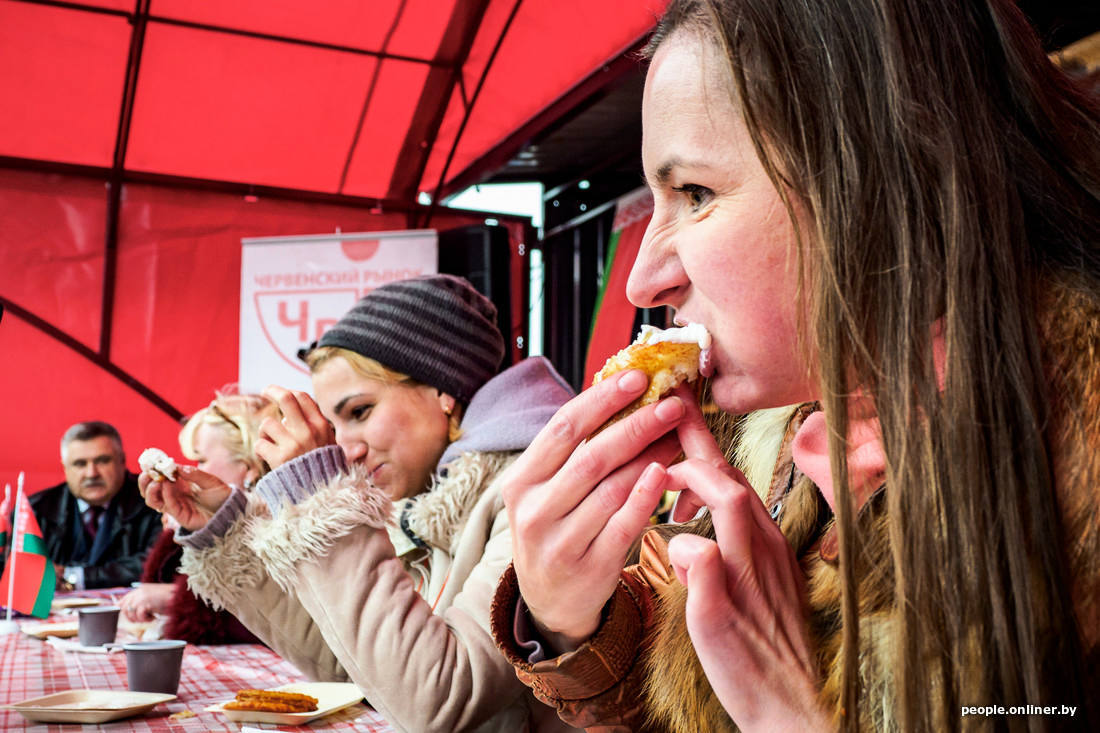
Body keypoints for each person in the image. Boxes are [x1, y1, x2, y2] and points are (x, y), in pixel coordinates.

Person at [490, 1, 1100, 732]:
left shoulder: (1071, 475)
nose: (641, 281)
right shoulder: (785, 425)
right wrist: (567, 624)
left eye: (695, 193)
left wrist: (792, 719)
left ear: (889, 175)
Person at [143, 275, 580, 732]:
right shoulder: (424, 498)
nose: (347, 448)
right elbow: (355, 665)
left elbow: (440, 697)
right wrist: (227, 530)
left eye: (360, 412)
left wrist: (321, 497)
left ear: (443, 391)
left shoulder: (539, 490)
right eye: (336, 424)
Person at [119, 392, 275, 644]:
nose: (193, 469)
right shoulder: (198, 517)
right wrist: (178, 534)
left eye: (201, 460)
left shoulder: (277, 525)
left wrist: (174, 597)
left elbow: (278, 616)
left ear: (248, 467)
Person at [25, 421, 162, 590]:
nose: (92, 473)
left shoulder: (156, 501)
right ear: (65, 468)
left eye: (103, 461)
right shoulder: (34, 510)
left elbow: (159, 563)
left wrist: (73, 577)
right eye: (80, 464)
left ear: (122, 461)